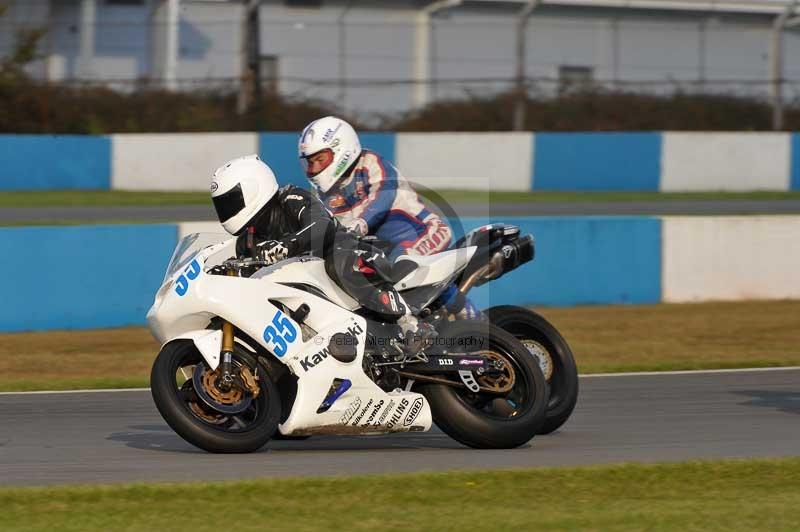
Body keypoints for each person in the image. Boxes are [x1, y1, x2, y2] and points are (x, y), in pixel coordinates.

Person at [209, 154, 419, 335]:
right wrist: (221, 275)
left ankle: (409, 323)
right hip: (310, 305)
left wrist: (286, 246)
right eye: (223, 205)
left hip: (352, 256)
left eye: (231, 201)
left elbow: (321, 226)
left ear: (254, 187)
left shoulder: (292, 198)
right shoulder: (247, 241)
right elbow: (246, 276)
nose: (227, 210)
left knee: (340, 260)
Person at [297, 116, 482, 319]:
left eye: (319, 160)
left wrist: (360, 223)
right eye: (310, 162)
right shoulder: (325, 193)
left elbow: (383, 195)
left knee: (404, 267)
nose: (313, 169)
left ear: (341, 150)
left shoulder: (370, 163)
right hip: (383, 248)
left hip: (426, 231)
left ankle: (472, 317)